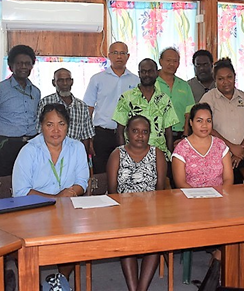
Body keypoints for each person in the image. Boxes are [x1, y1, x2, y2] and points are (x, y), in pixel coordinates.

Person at [12, 103, 89, 287]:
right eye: (49, 124)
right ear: (41, 126)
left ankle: (61, 280)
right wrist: (57, 199)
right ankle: (33, 284)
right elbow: (21, 191)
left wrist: (70, 193)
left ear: (68, 126)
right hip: (33, 211)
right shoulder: (30, 150)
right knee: (27, 248)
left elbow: (82, 182)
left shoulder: (77, 147)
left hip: (67, 211)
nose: (56, 130)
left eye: (61, 124)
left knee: (74, 238)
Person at [107, 115, 166, 291]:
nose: (140, 136)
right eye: (135, 131)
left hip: (151, 211)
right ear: (127, 133)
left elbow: (161, 190)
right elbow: (112, 191)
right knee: (127, 240)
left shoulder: (157, 154)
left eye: (144, 132)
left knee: (155, 240)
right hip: (123, 212)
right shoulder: (117, 154)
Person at [0, 44, 41, 179]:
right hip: (5, 146)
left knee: (31, 184)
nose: (24, 67)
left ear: (32, 66)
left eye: (27, 63)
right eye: (19, 63)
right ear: (11, 66)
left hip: (30, 145)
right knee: (3, 189)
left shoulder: (36, 92)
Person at [84, 41, 140, 174]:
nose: (119, 56)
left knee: (126, 172)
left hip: (128, 135)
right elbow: (89, 109)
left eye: (122, 53)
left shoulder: (136, 81)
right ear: (109, 55)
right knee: (101, 172)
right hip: (102, 134)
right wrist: (89, 137)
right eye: (115, 53)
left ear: (128, 56)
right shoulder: (97, 79)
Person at [200, 58, 244, 183]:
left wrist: (239, 152)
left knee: (240, 197)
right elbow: (206, 128)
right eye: (220, 79)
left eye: (229, 77)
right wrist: (231, 147)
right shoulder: (208, 98)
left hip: (241, 158)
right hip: (216, 158)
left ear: (235, 76)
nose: (226, 82)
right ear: (215, 80)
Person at [113, 58, 179, 161]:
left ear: (157, 73)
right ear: (139, 74)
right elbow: (120, 131)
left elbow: (168, 132)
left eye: (150, 71)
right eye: (143, 71)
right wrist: (125, 156)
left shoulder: (164, 99)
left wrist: (169, 155)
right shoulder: (126, 98)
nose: (147, 74)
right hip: (133, 155)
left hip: (160, 155)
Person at [172, 103, 233, 188]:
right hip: (191, 198)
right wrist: (199, 198)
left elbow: (228, 179)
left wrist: (220, 196)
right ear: (191, 122)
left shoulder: (220, 146)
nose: (204, 125)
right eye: (199, 121)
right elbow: (180, 183)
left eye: (208, 121)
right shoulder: (181, 149)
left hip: (219, 197)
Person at [37, 68, 95, 156]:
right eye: (60, 80)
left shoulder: (82, 106)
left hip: (74, 154)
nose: (65, 84)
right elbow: (39, 131)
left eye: (67, 80)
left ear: (72, 82)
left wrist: (83, 157)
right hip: (50, 153)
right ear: (54, 83)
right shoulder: (45, 102)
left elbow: (86, 137)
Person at [155, 47, 194, 141]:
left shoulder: (185, 85)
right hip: (157, 134)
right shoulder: (152, 82)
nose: (171, 64)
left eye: (175, 61)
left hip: (179, 135)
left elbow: (188, 112)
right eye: (168, 60)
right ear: (160, 61)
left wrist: (185, 135)